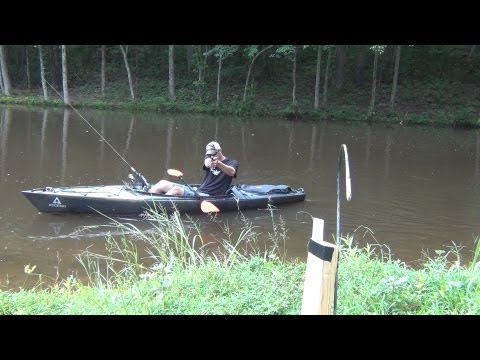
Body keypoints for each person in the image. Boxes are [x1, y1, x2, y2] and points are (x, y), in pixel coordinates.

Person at [148, 141, 238, 196]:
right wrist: (209, 162)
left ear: (219, 151)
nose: (212, 156)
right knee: (163, 183)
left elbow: (232, 172)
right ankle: (146, 199)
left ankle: (156, 207)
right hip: (199, 191)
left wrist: (219, 164)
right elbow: (206, 163)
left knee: (177, 190)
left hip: (211, 195)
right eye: (210, 154)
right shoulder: (209, 158)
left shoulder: (232, 162)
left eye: (213, 153)